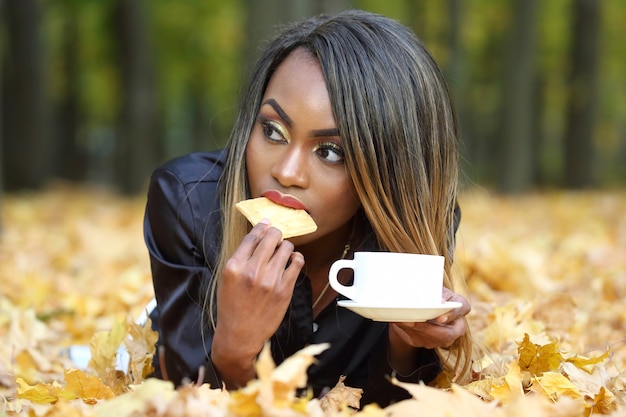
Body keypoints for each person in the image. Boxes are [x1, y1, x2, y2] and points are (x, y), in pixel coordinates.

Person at [143, 9, 473, 407]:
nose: (286, 172)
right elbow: (182, 400)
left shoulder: (408, 224)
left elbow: (391, 404)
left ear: (390, 171)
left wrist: (406, 344)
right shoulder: (188, 202)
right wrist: (233, 350)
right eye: (273, 131)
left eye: (330, 151)